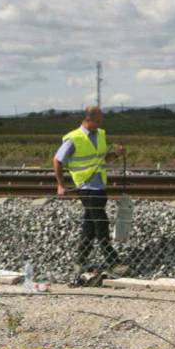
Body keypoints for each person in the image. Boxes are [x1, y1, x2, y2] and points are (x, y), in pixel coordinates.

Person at [53, 105, 126, 282]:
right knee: (101, 223)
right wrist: (61, 185)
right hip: (85, 187)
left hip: (99, 186)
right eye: (99, 120)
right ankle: (113, 262)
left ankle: (80, 260)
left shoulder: (100, 134)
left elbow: (102, 160)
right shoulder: (73, 138)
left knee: (90, 224)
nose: (101, 123)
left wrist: (116, 154)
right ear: (88, 119)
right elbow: (57, 160)